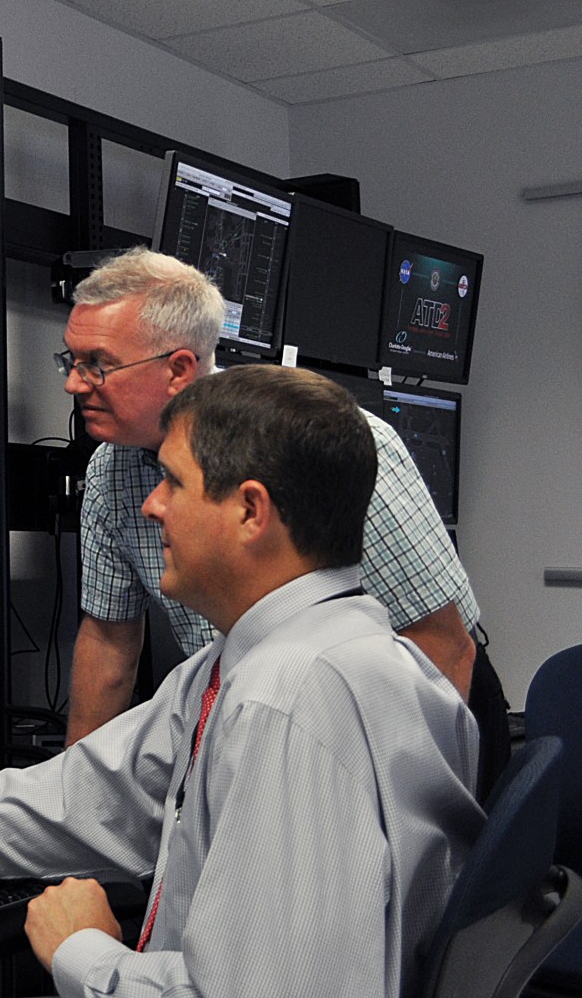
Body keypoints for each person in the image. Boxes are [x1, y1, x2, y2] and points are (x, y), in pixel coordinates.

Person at [0, 365, 484, 998]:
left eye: (174, 482)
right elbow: (97, 788)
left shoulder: (289, 704)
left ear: (250, 511)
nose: (152, 506)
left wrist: (82, 951)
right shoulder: (299, 653)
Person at [57, 249, 508, 791]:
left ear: (178, 369)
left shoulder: (328, 444)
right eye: (71, 361)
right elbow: (107, 644)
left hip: (415, 723)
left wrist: (410, 824)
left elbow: (440, 645)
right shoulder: (111, 470)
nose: (75, 384)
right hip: (256, 718)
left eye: (97, 365)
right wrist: (69, 798)